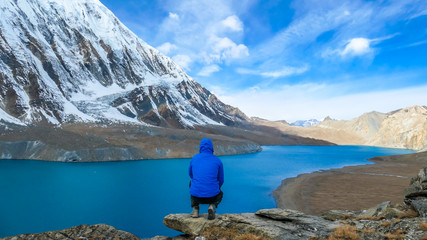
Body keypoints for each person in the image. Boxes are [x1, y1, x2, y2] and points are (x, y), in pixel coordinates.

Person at [188, 138, 224, 220]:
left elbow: (190, 174)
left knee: (191, 183)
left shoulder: (194, 158)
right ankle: (212, 206)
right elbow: (221, 180)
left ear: (200, 147)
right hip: (213, 196)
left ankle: (195, 209)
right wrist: (215, 187)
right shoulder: (217, 160)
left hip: (196, 196)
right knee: (220, 193)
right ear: (211, 147)